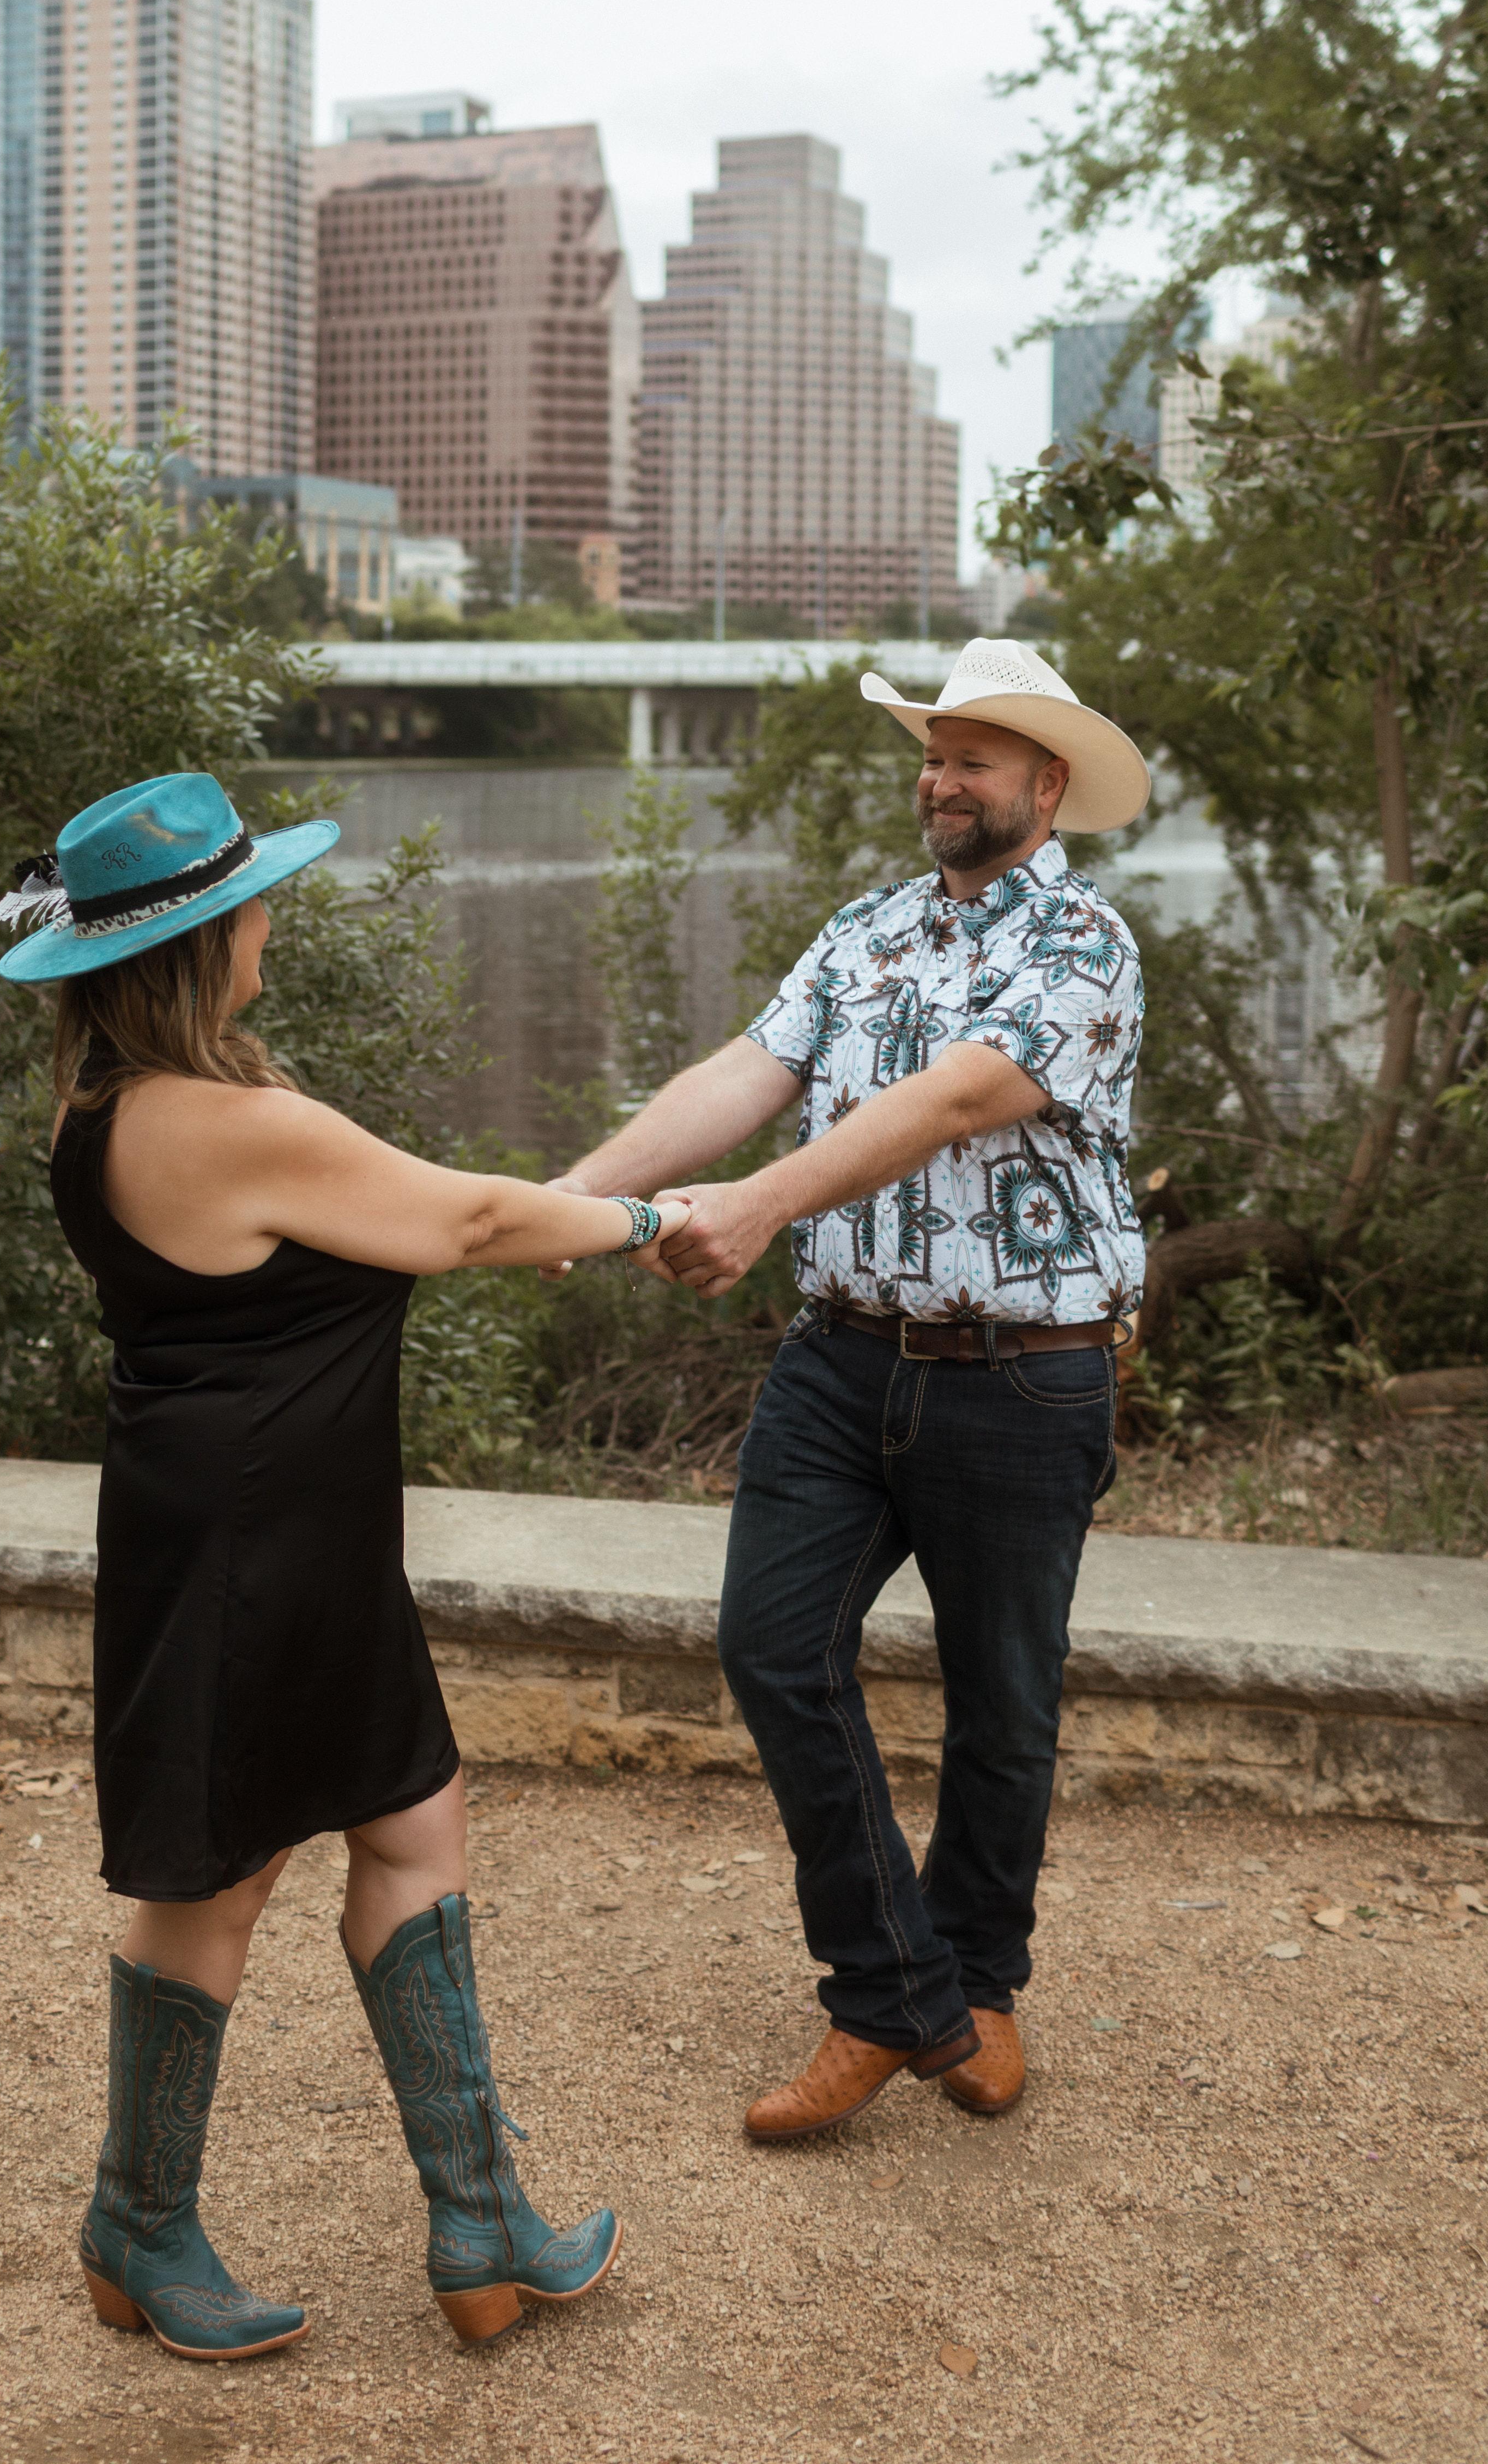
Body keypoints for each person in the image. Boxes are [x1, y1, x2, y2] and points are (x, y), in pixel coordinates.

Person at [0, 770, 691, 2362]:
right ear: (201, 938)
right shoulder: (231, 1123)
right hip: (255, 1543)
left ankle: (482, 2217)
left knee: (411, 1819)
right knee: (222, 1879)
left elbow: (418, 1229)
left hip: (265, 1527)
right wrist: (653, 1216)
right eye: (252, 906)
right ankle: (140, 2226)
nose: (268, 925)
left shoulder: (105, 1102)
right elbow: (459, 1226)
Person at [550, 639, 1153, 2144]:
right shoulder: (868, 928)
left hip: (1025, 1375)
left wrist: (753, 1209)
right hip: (840, 1360)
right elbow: (746, 1072)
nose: (941, 780)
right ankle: (896, 1991)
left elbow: (953, 1098)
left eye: (974, 757)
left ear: (1047, 783)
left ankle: (983, 1982)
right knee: (769, 1651)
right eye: (930, 754)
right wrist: (564, 1200)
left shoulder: (1086, 945)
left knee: (1002, 1709)